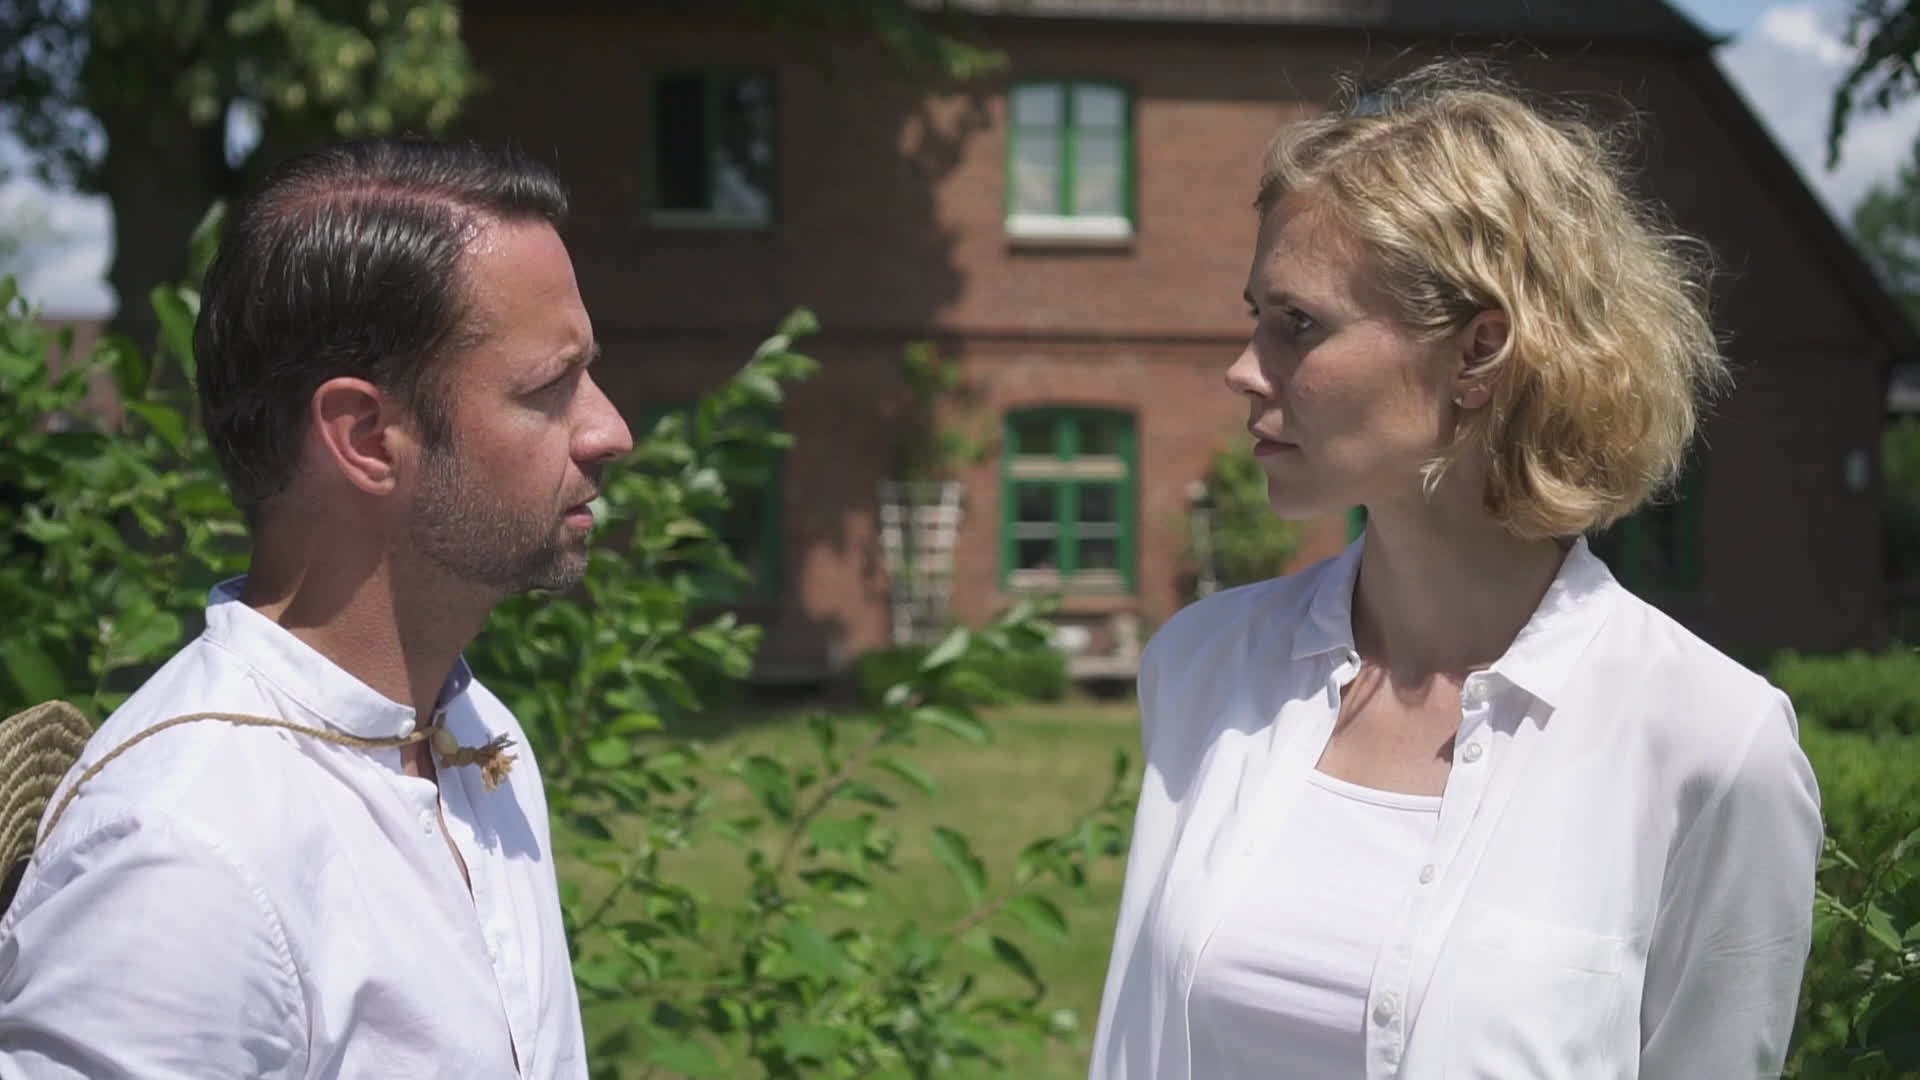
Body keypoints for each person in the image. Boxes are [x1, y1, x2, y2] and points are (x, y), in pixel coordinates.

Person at [1087, 63, 1822, 1080]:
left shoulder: (1708, 742)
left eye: (1298, 324)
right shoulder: (1206, 671)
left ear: (1479, 351)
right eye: (1256, 316)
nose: (1243, 368)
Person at [0, 137, 632, 1077]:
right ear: (366, 437)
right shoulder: (182, 858)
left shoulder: (477, 737)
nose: (611, 429)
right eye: (548, 387)